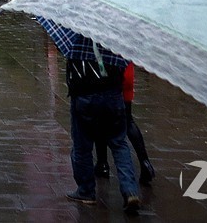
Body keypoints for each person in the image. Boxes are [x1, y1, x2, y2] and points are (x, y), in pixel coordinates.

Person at [39, 18, 141, 215]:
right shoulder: (116, 37)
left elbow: (64, 51)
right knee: (119, 143)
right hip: (112, 97)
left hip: (84, 97)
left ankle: (86, 190)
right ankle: (130, 190)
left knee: (82, 145)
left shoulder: (75, 37)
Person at [94, 61, 155, 184]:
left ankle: (102, 163)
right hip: (127, 72)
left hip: (109, 74)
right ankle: (145, 162)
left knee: (100, 119)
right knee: (128, 119)